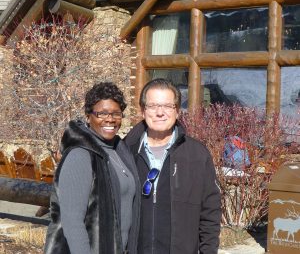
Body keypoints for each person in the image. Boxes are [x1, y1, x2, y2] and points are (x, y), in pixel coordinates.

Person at [125, 78, 221, 254]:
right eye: (152, 106)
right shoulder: (125, 152)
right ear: (142, 111)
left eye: (167, 106)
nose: (160, 112)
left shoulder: (197, 155)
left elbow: (210, 213)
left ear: (177, 111)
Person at [44, 82, 140, 254]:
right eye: (102, 113)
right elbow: (73, 223)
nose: (110, 119)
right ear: (88, 116)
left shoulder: (119, 151)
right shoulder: (80, 155)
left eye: (116, 113)